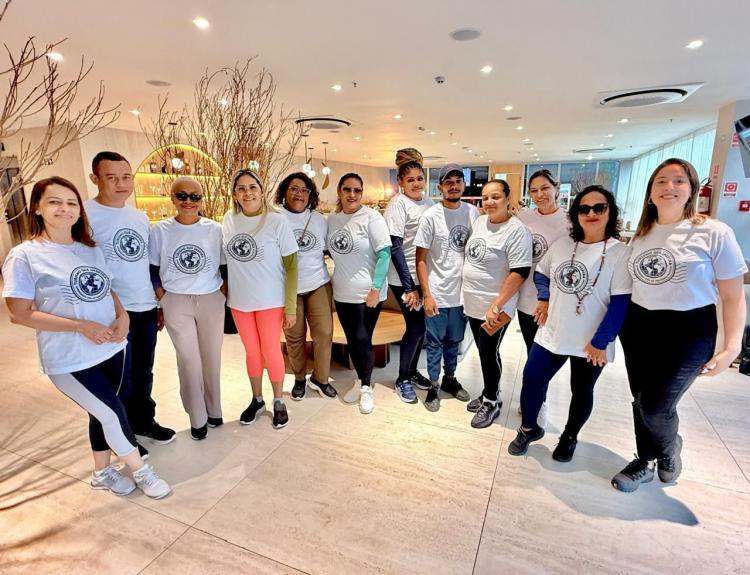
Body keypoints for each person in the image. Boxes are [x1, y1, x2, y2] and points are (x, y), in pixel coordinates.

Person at [2, 177, 170, 498]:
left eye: (71, 203)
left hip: (111, 347)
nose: (64, 209)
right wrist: (81, 326)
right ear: (37, 208)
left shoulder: (89, 249)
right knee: (113, 412)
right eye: (54, 202)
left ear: (80, 210)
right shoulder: (25, 256)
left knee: (102, 412)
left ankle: (101, 472)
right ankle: (141, 471)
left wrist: (122, 316)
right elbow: (19, 313)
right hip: (69, 357)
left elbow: (107, 289)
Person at [611, 158, 747, 491]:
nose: (669, 187)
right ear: (650, 193)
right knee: (641, 399)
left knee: (656, 406)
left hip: (689, 330)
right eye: (661, 181)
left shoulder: (713, 232)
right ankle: (644, 460)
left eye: (679, 181)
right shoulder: (641, 236)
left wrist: (732, 346)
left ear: (691, 190)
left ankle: (669, 448)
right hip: (639, 326)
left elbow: (733, 296)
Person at [508, 185, 631, 459]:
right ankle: (529, 428)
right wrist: (543, 298)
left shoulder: (619, 252)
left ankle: (570, 436)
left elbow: (621, 302)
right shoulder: (563, 245)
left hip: (592, 340)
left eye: (599, 207)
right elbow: (541, 273)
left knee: (582, 389)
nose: (591, 213)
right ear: (576, 214)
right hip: (554, 331)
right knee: (532, 378)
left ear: (610, 212)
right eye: (584, 208)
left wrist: (601, 341)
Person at [86, 151, 175, 458]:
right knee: (118, 378)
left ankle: (143, 421)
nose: (121, 184)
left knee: (143, 371)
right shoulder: (85, 215)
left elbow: (146, 264)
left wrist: (157, 304)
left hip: (145, 307)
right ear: (95, 179)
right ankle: (121, 434)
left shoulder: (138, 216)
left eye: (126, 177)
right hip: (111, 312)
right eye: (111, 178)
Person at [149, 177, 226, 440]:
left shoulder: (215, 229)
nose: (188, 201)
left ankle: (214, 410)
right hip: (176, 300)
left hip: (210, 298)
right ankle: (197, 417)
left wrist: (222, 293)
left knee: (212, 358)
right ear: (172, 198)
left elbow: (225, 266)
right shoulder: (160, 231)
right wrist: (162, 297)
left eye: (195, 196)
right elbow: (152, 269)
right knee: (189, 359)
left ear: (202, 200)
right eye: (181, 195)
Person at [223, 169, 299, 429]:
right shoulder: (229, 220)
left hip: (270, 300)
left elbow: (292, 266)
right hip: (240, 302)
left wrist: (291, 307)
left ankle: (278, 400)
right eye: (241, 188)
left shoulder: (277, 221)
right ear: (234, 194)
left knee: (270, 350)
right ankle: (257, 399)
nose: (248, 193)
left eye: (252, 187)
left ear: (262, 190)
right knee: (252, 352)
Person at [462, 180, 532, 428]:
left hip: (496, 307)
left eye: (495, 197)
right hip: (473, 302)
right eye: (485, 198)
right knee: (483, 351)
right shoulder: (480, 222)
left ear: (507, 198)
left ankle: (491, 401)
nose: (489, 202)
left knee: (488, 352)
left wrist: (497, 305)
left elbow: (520, 271)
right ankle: (489, 392)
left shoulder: (516, 231)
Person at [415, 163, 479, 412]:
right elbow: (421, 259)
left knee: (455, 341)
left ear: (464, 184)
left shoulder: (473, 213)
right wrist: (427, 295)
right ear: (440, 186)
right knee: (434, 343)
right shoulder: (430, 216)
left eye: (458, 181)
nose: (454, 186)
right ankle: (433, 385)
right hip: (438, 293)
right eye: (448, 182)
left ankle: (450, 379)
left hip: (463, 294)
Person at [328, 173, 391, 414]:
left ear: (362, 193)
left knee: (363, 338)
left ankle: (366, 386)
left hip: (368, 293)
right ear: (339, 191)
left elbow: (384, 254)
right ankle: (360, 379)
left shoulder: (372, 217)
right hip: (342, 292)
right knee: (353, 340)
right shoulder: (333, 219)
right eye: (347, 189)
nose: (352, 195)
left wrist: (375, 289)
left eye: (357, 190)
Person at [274, 172, 337, 400]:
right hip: (287, 288)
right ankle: (299, 378)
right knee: (294, 336)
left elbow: (329, 249)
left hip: (317, 283)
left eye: (304, 190)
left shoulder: (318, 219)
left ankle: (321, 378)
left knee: (324, 333)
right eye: (293, 189)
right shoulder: (274, 217)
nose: (299, 194)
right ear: (284, 192)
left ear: (310, 195)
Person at [516, 169, 569, 427]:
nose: (540, 195)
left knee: (543, 355)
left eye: (545, 188)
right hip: (526, 297)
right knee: (531, 350)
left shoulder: (570, 222)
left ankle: (540, 401)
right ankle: (532, 397)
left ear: (556, 188)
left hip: (554, 301)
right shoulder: (523, 218)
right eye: (534, 190)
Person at [384, 148, 434, 403]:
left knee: (421, 328)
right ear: (401, 182)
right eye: (410, 179)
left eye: (419, 178)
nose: (416, 183)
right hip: (404, 278)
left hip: (423, 276)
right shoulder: (398, 204)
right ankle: (402, 378)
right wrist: (408, 287)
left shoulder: (429, 203)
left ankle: (412, 371)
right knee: (416, 327)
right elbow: (395, 247)